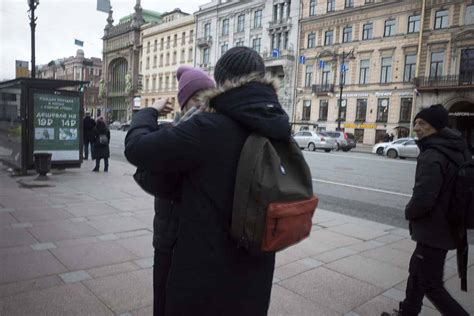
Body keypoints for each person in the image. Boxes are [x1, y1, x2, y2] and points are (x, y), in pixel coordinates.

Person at [125, 46, 289, 315]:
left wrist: (148, 112)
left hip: (204, 277)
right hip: (255, 272)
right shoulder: (277, 127)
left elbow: (137, 148)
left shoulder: (208, 128)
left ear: (222, 83)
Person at [135, 66, 216, 316]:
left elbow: (144, 166)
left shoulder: (183, 135)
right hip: (196, 239)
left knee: (166, 300)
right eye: (197, 96)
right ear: (184, 102)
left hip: (174, 239)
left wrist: (150, 111)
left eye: (207, 95)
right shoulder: (207, 130)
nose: (202, 103)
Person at [382, 104, 470, 316]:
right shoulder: (455, 148)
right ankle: (408, 311)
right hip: (448, 224)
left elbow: (423, 198)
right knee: (417, 271)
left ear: (436, 127)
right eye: (415, 124)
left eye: (422, 124)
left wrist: (409, 212)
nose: (417, 128)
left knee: (431, 284)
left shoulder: (433, 154)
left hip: (434, 229)